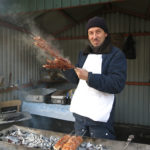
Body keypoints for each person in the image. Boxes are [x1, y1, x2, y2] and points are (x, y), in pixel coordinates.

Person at [63, 16, 127, 140]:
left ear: (106, 34)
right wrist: (65, 68)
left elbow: (117, 84)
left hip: (99, 119)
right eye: (91, 33)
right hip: (80, 115)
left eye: (98, 32)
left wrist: (89, 77)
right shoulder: (84, 53)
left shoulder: (116, 55)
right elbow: (77, 80)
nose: (94, 36)